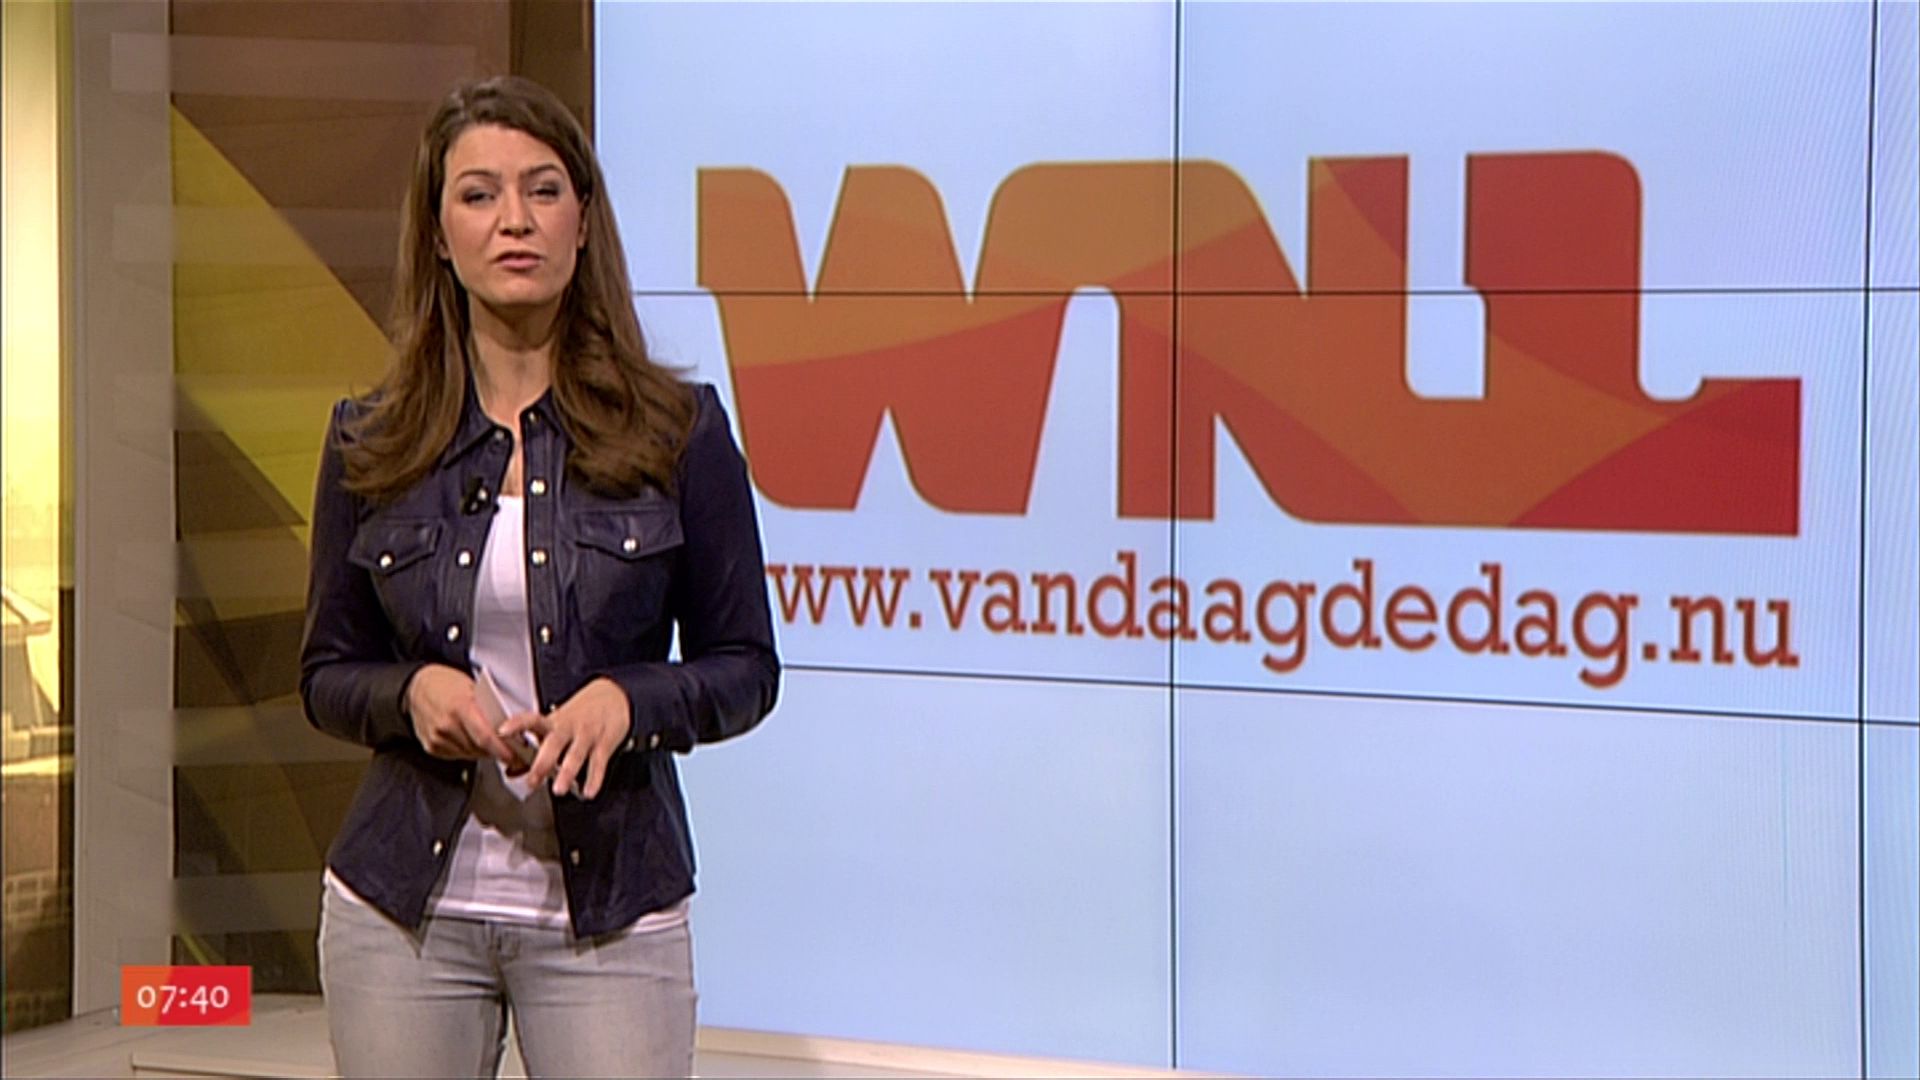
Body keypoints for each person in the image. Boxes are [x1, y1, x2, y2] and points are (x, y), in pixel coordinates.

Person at [299, 75, 778, 1079]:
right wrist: (410, 695)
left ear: (584, 221)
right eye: (478, 194)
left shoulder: (680, 432)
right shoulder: (370, 439)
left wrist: (628, 702)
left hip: (610, 914)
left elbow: (745, 667)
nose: (513, 220)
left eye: (543, 189)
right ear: (438, 234)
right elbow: (327, 672)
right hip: (403, 914)